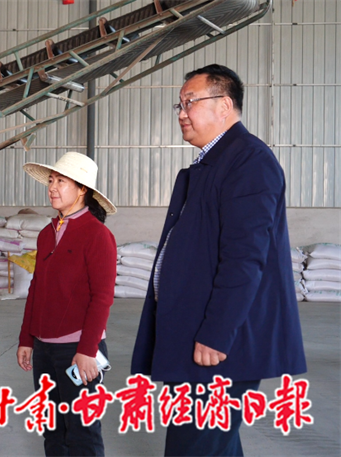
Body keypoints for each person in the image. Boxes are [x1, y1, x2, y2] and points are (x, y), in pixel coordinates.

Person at [131, 64, 307, 457]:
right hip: (199, 332)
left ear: (224, 105)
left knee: (195, 444)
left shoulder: (249, 162)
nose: (181, 113)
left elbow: (245, 257)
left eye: (190, 102)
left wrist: (217, 332)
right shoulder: (215, 162)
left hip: (220, 344)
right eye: (179, 104)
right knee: (214, 444)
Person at [17, 152, 117, 457]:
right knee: (52, 428)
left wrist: (87, 350)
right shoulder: (47, 234)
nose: (52, 187)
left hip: (78, 348)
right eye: (51, 180)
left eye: (61, 181)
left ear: (82, 189)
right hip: (44, 348)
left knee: (83, 431)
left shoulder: (98, 235)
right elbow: (36, 288)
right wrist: (27, 339)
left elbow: (102, 297)